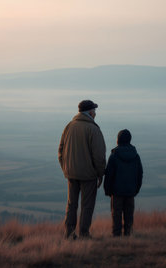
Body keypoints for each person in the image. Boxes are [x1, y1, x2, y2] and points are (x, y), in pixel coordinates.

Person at [58, 100, 106, 239]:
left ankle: (69, 233)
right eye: (94, 111)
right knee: (87, 205)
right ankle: (84, 234)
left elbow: (60, 150)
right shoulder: (93, 129)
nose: (95, 113)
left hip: (71, 173)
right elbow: (99, 155)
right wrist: (100, 173)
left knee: (71, 205)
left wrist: (66, 168)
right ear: (90, 112)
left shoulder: (69, 126)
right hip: (88, 175)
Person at [104, 129, 143, 237]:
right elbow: (140, 174)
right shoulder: (136, 156)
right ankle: (128, 235)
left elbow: (109, 175)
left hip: (116, 192)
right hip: (130, 191)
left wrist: (107, 190)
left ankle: (116, 237)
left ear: (118, 140)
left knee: (116, 215)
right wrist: (136, 189)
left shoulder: (114, 156)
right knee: (129, 216)